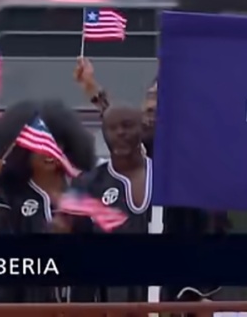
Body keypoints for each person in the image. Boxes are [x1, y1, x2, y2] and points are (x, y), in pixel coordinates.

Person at [73, 59, 224, 302]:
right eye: (150, 96)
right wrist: (92, 88)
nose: (152, 105)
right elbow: (118, 121)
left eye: (160, 98)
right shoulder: (131, 152)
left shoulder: (190, 154)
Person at [0, 99, 97, 303]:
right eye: (40, 144)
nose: (50, 152)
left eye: (56, 143)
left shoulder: (82, 194)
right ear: (23, 151)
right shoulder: (9, 195)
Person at [61, 105, 156, 302]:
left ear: (142, 128)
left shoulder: (166, 178)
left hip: (161, 296)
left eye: (127, 126)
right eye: (112, 128)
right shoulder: (87, 184)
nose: (120, 133)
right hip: (111, 298)